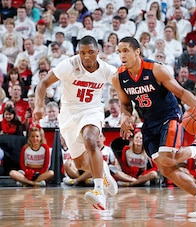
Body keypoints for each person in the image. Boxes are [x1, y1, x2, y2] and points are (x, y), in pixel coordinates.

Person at [113, 36, 196, 218]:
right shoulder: (119, 77)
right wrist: (124, 117)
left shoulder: (156, 69)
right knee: (166, 169)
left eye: (126, 51)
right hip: (148, 123)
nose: (122, 55)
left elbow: (181, 92)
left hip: (169, 116)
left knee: (167, 158)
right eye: (119, 52)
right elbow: (125, 105)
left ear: (137, 52)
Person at [34, 36, 118, 210]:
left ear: (98, 52)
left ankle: (98, 191)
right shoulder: (69, 65)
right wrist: (38, 106)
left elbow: (124, 88)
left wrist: (126, 113)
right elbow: (43, 83)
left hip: (92, 110)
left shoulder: (107, 70)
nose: (86, 57)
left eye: (91, 53)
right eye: (82, 53)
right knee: (80, 163)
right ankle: (103, 171)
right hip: (69, 114)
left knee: (90, 140)